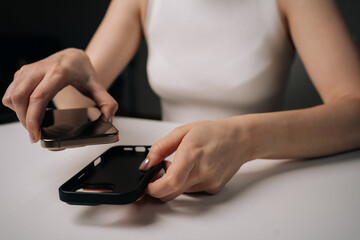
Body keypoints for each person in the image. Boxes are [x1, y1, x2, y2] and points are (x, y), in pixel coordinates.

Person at [3, 0, 360, 202]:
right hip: (162, 193)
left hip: (261, 188)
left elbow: (354, 108)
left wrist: (243, 139)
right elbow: (82, 106)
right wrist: (68, 74)